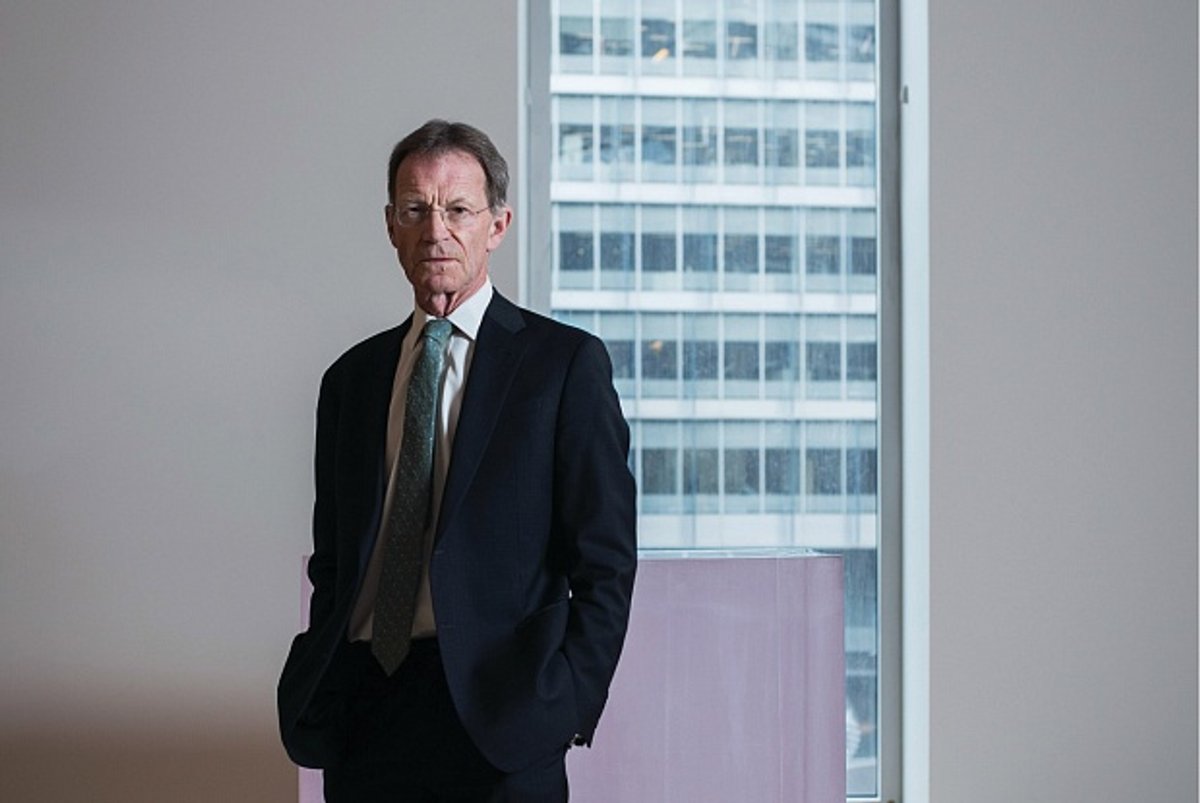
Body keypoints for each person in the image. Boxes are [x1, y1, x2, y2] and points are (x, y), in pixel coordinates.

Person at [277, 119, 638, 802]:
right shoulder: (351, 380)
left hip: (501, 715)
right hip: (365, 711)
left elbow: (606, 560)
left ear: (497, 225)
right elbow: (335, 562)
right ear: (391, 226)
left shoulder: (562, 367)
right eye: (415, 209)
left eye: (458, 209)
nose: (435, 230)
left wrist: (564, 702)